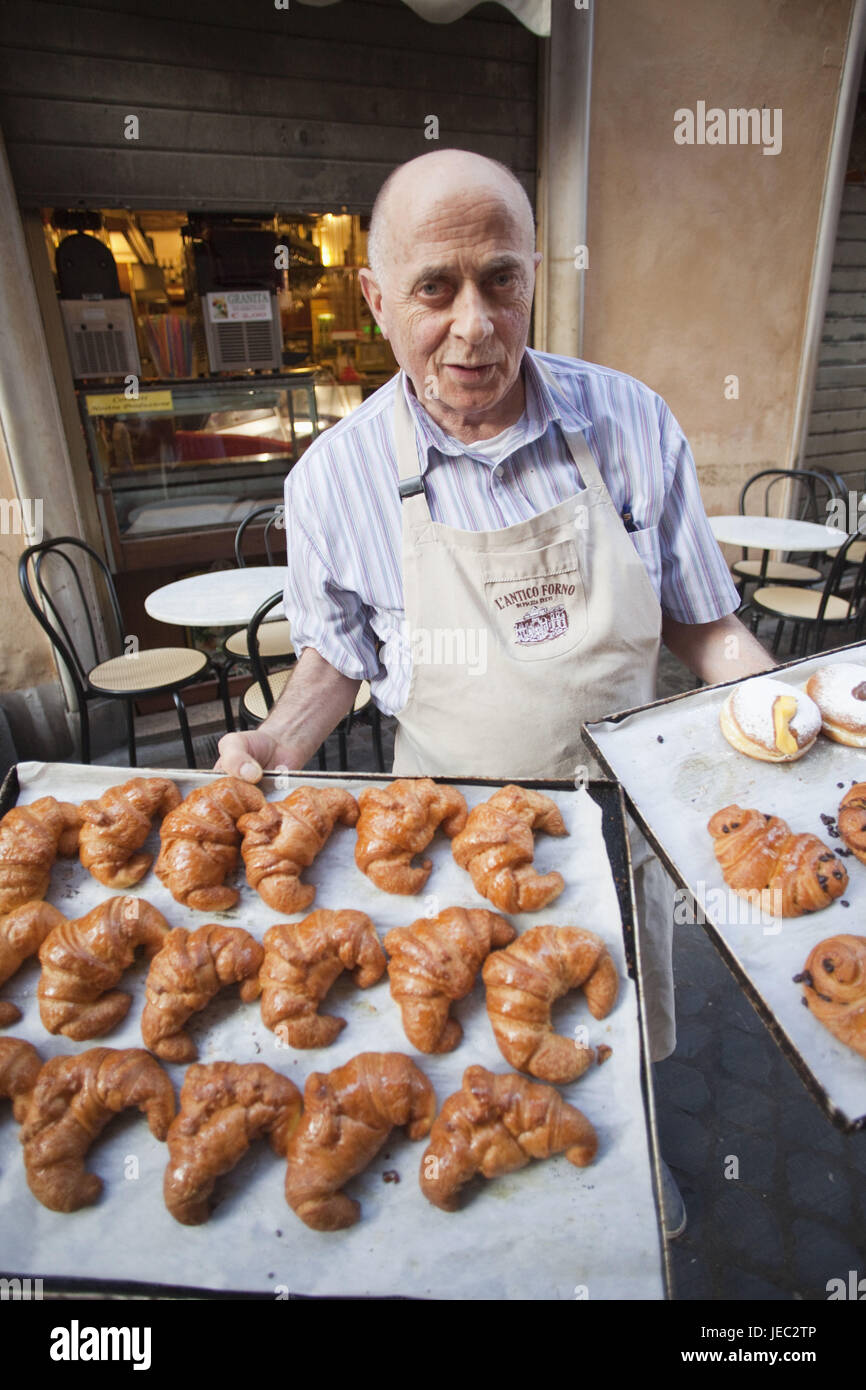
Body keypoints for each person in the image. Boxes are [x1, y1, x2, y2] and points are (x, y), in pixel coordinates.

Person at [216, 147, 774, 1129]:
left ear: (531, 279)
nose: (473, 326)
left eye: (501, 281)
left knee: (609, 1034)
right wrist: (278, 741)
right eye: (435, 287)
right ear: (376, 297)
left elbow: (704, 622)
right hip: (432, 848)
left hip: (612, 830)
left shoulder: (630, 422)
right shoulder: (332, 480)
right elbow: (338, 656)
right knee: (457, 1039)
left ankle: (624, 1194)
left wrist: (785, 719)